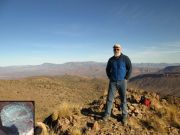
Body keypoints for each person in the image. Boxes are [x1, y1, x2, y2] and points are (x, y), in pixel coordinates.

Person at [103, 43, 132, 125]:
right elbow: (107, 69)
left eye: (117, 49)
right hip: (113, 82)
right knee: (109, 99)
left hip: (122, 82)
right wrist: (110, 77)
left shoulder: (125, 58)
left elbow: (130, 68)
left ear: (120, 49)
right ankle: (107, 115)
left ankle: (124, 116)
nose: (116, 50)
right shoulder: (111, 59)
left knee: (123, 99)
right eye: (115, 49)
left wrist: (126, 78)